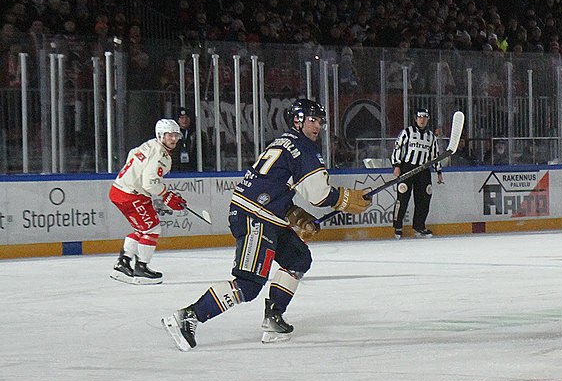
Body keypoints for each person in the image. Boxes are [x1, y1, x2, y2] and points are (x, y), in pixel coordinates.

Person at [160, 98, 372, 350]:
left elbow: (273, 185)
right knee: (248, 285)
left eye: (320, 122)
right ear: (298, 120)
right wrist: (347, 199)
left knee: (298, 259)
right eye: (312, 120)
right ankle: (189, 316)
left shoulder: (284, 141)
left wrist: (296, 216)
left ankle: (273, 317)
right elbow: (320, 195)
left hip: (263, 213)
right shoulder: (303, 148)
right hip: (255, 217)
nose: (317, 126)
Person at [108, 117, 188, 284]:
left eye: (176, 135)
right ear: (160, 135)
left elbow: (132, 154)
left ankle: (122, 264)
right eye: (169, 135)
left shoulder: (149, 144)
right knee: (152, 229)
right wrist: (168, 196)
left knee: (142, 229)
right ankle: (141, 268)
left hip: (119, 190)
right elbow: (150, 183)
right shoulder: (160, 154)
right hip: (132, 195)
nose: (173, 139)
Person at [391, 108, 440, 237]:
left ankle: (419, 226)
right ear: (416, 118)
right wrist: (396, 165)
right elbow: (398, 148)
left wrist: (439, 171)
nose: (422, 120)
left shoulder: (431, 137)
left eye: (425, 117)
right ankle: (397, 227)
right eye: (420, 117)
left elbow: (435, 155)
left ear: (428, 119)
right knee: (402, 198)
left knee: (424, 198)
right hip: (408, 168)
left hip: (423, 170)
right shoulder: (407, 132)